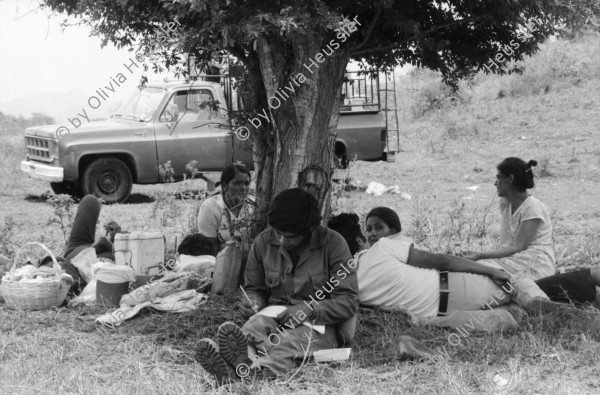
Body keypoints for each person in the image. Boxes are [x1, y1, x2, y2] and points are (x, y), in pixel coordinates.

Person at [196, 188, 359, 382]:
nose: (281, 241)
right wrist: (253, 301)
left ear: (308, 231)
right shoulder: (263, 242)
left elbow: (348, 301)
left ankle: (253, 374)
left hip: (320, 325)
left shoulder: (334, 245)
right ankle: (239, 364)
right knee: (251, 330)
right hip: (275, 317)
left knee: (285, 344)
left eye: (289, 237)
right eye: (278, 233)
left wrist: (309, 309)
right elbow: (255, 288)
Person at [327, 208, 564, 329]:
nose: (370, 236)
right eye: (366, 233)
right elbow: (441, 261)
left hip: (437, 316)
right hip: (452, 287)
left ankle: (519, 315)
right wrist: (489, 270)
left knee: (511, 314)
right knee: (515, 280)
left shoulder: (344, 287)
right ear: (359, 242)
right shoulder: (383, 248)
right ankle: (546, 309)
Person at [463, 158, 555, 280]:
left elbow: (518, 246)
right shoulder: (505, 203)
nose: (495, 183)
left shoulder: (533, 208)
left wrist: (481, 255)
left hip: (535, 263)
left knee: (479, 267)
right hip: (515, 258)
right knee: (474, 266)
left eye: (499, 177)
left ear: (510, 179)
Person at [197, 164, 256, 255]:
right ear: (224, 186)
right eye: (237, 183)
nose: (243, 188)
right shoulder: (211, 207)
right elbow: (210, 248)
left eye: (247, 183)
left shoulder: (255, 205)